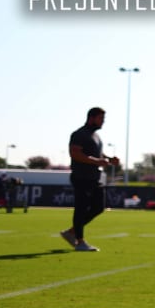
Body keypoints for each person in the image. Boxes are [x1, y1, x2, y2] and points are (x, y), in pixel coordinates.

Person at [60, 106, 120, 252]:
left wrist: (108, 159)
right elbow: (75, 154)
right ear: (91, 118)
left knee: (98, 207)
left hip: (94, 178)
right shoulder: (79, 134)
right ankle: (80, 241)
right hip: (81, 176)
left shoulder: (96, 136)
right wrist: (97, 161)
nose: (103, 122)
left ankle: (72, 232)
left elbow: (96, 153)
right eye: (101, 119)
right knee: (81, 208)